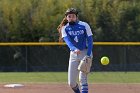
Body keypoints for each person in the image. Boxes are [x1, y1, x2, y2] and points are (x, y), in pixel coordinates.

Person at [57, 8, 93, 93]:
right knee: (71, 83)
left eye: (73, 16)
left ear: (76, 17)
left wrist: (88, 55)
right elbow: (68, 41)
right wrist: (74, 49)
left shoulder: (84, 25)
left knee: (82, 78)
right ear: (66, 18)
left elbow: (90, 40)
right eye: (69, 16)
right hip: (73, 54)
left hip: (85, 53)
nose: (71, 18)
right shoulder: (64, 28)